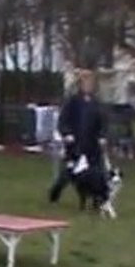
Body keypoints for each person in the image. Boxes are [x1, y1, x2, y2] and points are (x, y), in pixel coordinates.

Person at [49, 69, 108, 203]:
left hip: (92, 145)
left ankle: (97, 199)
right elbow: (63, 120)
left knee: (96, 173)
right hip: (75, 144)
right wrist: (67, 134)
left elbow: (103, 122)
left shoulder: (97, 104)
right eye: (85, 83)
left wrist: (102, 136)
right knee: (69, 172)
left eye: (90, 83)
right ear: (80, 85)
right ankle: (55, 192)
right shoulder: (73, 101)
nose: (88, 86)